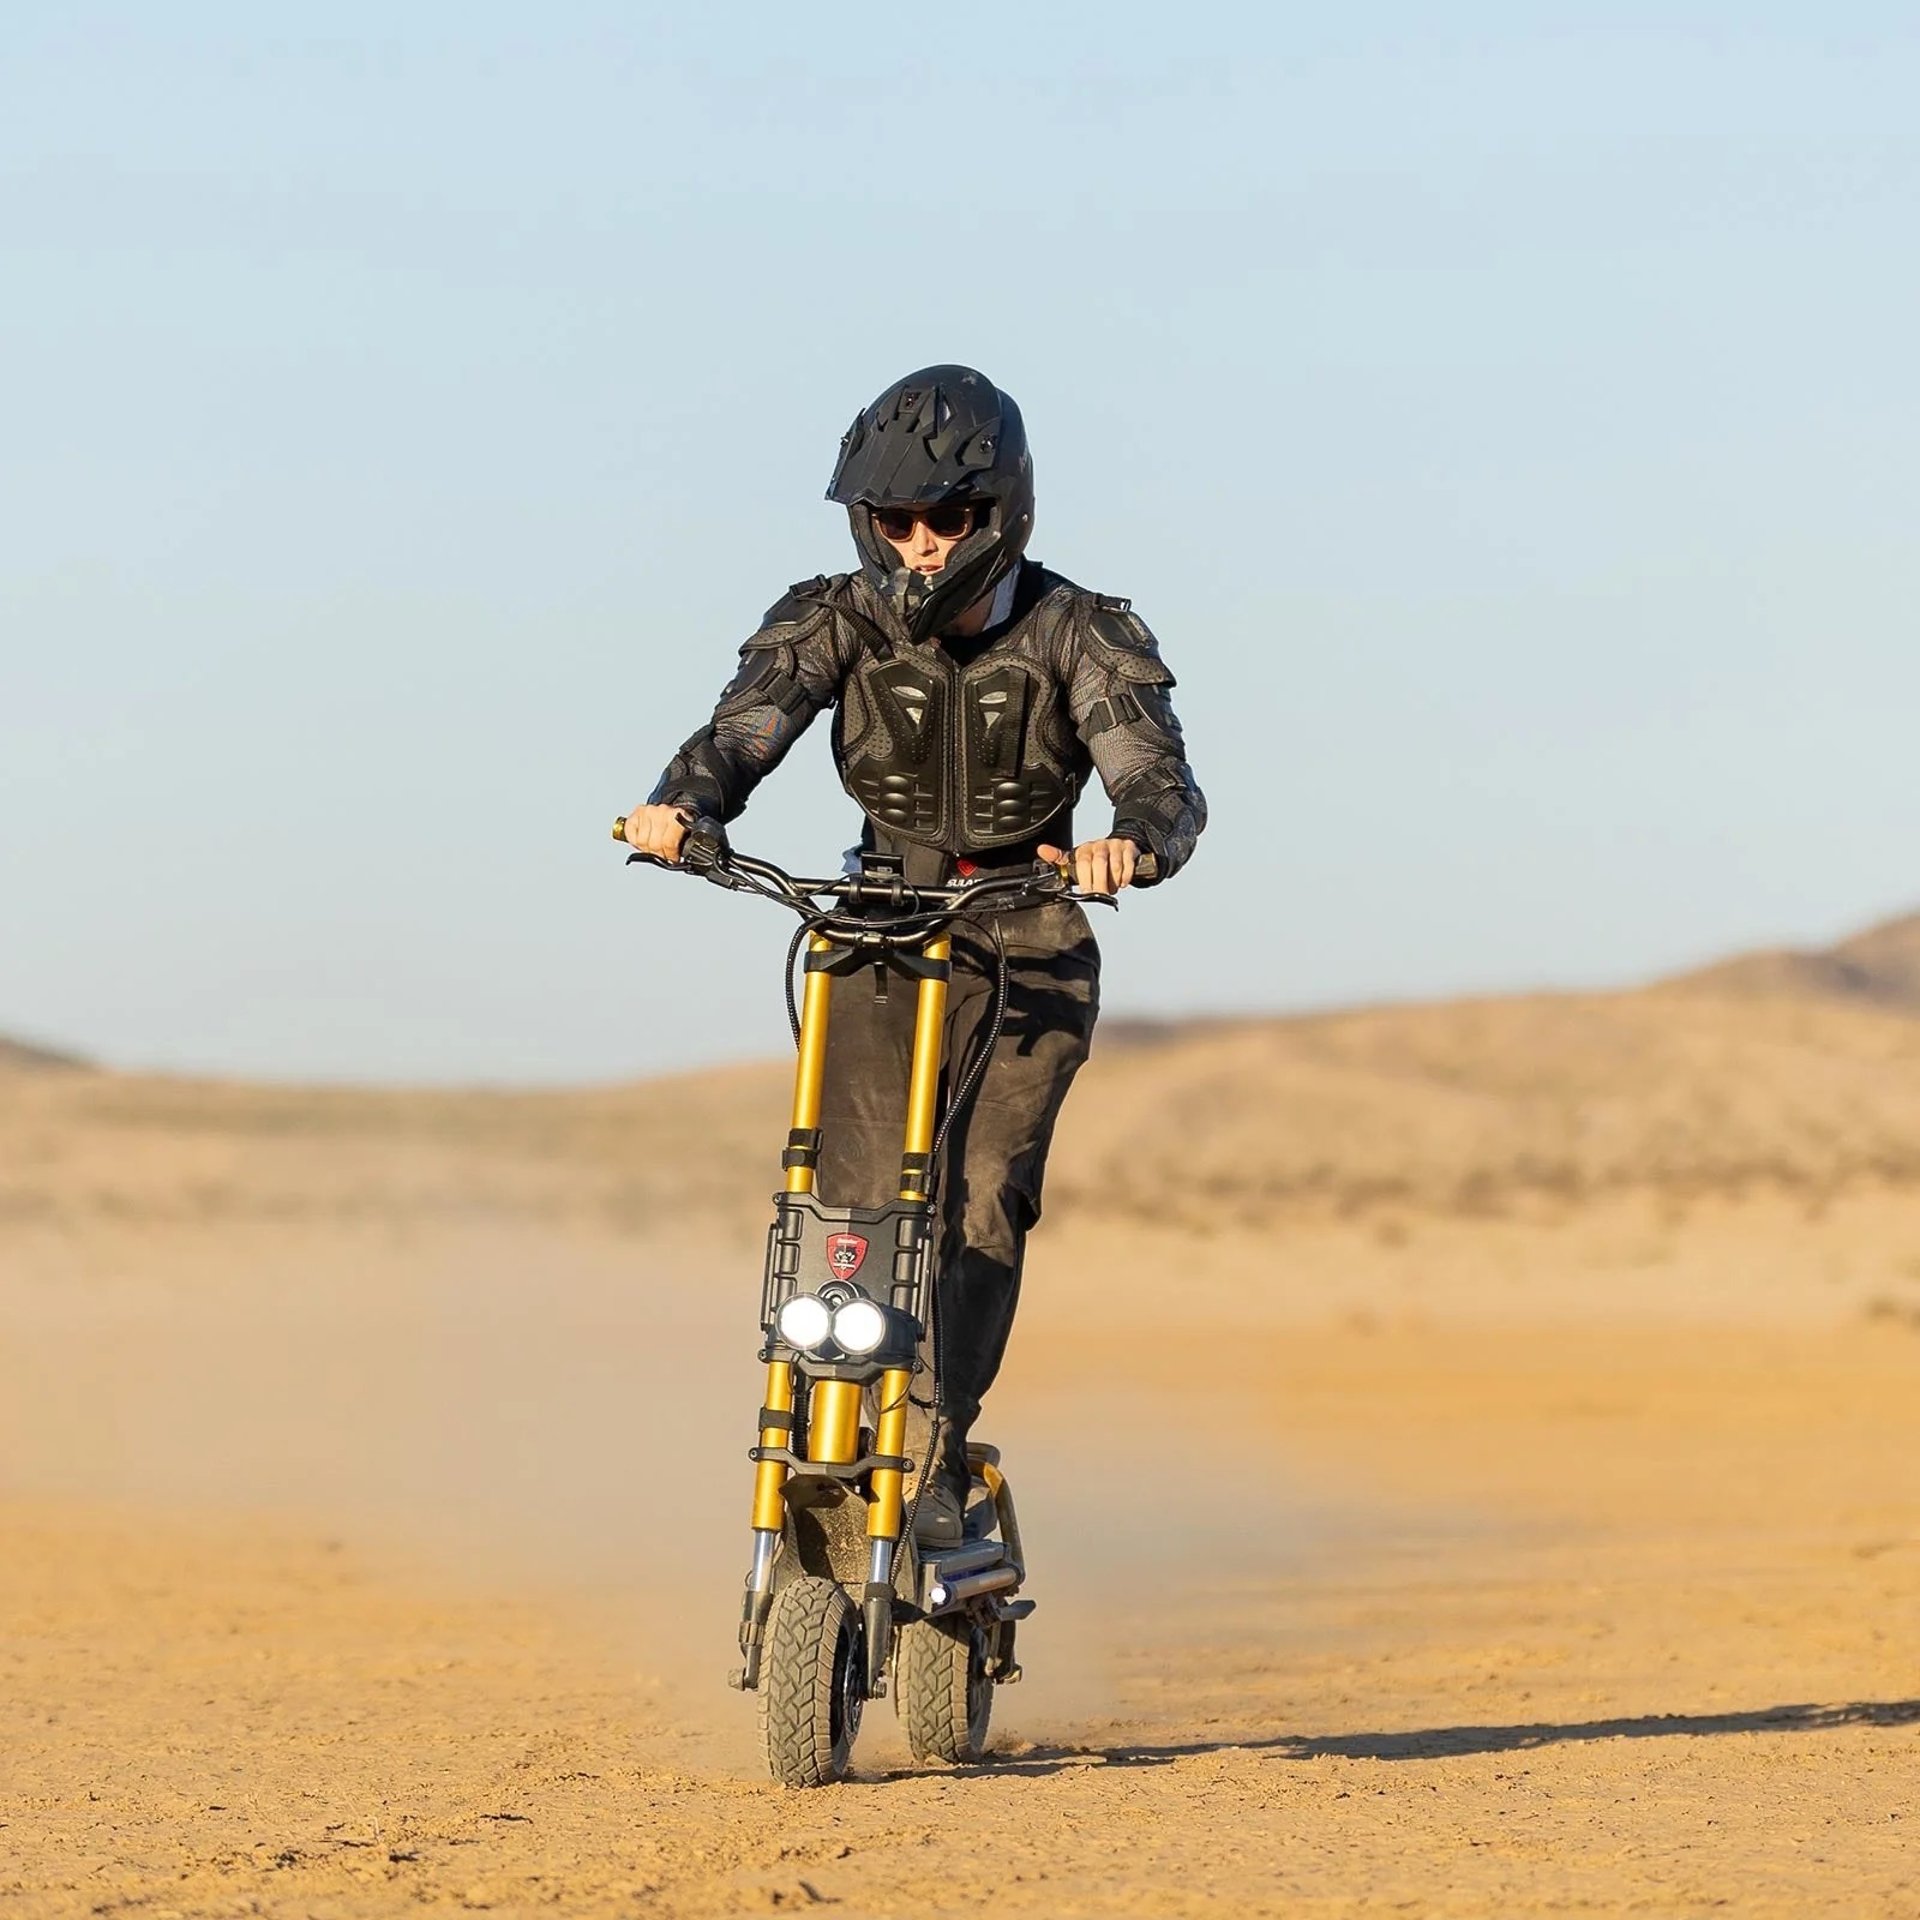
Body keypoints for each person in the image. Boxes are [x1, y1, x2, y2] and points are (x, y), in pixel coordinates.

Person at [625, 364, 1204, 1543]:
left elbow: (1158, 777)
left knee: (979, 1195)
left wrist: (1131, 844)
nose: (923, 546)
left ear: (1003, 512)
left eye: (948, 518)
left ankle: (935, 1440)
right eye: (897, 521)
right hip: (876, 922)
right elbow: (744, 730)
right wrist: (682, 806)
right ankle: (828, 1429)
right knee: (850, 1198)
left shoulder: (1080, 633)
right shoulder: (828, 617)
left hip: (1026, 934)